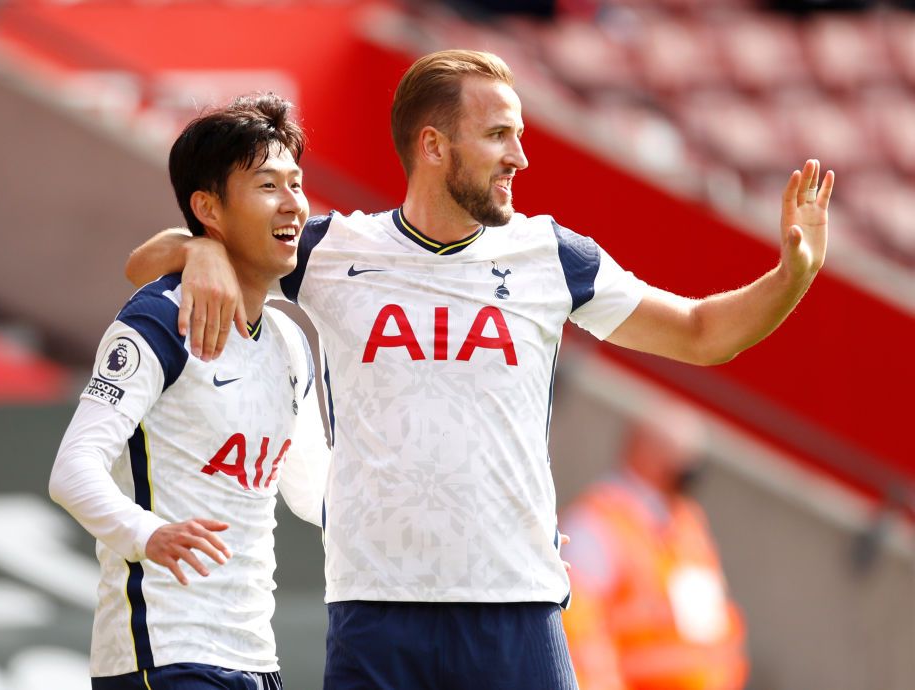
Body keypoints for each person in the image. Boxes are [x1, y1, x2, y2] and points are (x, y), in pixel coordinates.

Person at [124, 50, 833, 690]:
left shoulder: (553, 256)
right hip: (377, 612)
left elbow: (703, 335)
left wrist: (792, 275)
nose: (520, 157)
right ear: (433, 146)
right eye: (499, 136)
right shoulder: (331, 251)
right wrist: (206, 252)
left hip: (516, 611)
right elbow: (148, 259)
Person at [49, 93, 330, 690]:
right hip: (163, 651)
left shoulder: (288, 338)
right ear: (209, 207)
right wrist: (149, 534)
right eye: (267, 186)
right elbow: (72, 470)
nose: (293, 205)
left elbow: (314, 493)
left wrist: (455, 518)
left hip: (255, 655)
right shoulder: (158, 319)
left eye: (296, 183)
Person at [560, 407, 748, 690]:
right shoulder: (595, 524)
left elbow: (712, 627)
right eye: (680, 455)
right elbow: (579, 638)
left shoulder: (687, 525)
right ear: (644, 450)